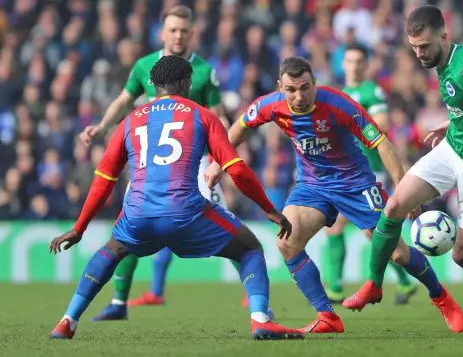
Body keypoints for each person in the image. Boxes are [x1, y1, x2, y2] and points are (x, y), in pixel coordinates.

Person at [49, 55, 303, 341]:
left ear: (154, 84)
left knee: (111, 251)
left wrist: (79, 227)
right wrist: (269, 209)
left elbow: (104, 180)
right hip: (185, 213)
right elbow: (237, 170)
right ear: (185, 83)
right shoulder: (201, 115)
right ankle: (260, 320)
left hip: (138, 213)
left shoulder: (130, 121)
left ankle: (67, 320)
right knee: (250, 249)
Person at [206, 56, 463, 334]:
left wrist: (403, 190)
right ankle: (327, 315)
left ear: (315, 84)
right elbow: (240, 127)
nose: (298, 96)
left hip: (355, 184)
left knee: (398, 255)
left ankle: (441, 297)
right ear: (280, 86)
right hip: (312, 186)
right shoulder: (270, 105)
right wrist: (217, 161)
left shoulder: (338, 104)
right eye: (291, 89)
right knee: (287, 242)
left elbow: (383, 144)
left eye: (305, 87)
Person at [343, 5, 463, 336]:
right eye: (414, 47)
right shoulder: (438, 61)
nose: (418, 53)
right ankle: (374, 283)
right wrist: (455, 122)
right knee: (395, 206)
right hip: (453, 148)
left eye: (424, 46)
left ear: (445, 35)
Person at [79, 6, 232, 320]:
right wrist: (102, 126)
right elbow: (124, 99)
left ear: (191, 34)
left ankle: (252, 293)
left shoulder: (203, 72)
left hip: (193, 163)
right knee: (131, 226)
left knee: (225, 222)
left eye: (183, 31)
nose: (178, 35)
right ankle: (119, 302)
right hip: (149, 163)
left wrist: (227, 152)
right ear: (163, 33)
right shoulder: (145, 65)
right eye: (173, 30)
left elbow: (218, 115)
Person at [324, 44, 416, 305]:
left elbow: (382, 125)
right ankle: (338, 286)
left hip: (371, 171)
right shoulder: (340, 94)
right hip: (348, 171)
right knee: (340, 228)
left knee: (367, 231)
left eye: (358, 61)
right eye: (349, 61)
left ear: (365, 65)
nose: (353, 65)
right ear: (343, 64)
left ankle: (337, 286)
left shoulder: (371, 91)